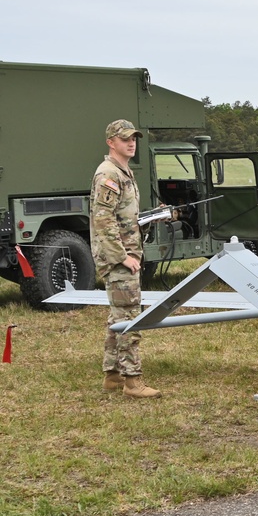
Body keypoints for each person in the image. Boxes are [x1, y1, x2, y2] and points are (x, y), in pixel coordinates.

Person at [90, 119, 161, 399]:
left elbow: (122, 215)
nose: (131, 143)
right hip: (119, 259)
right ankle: (133, 382)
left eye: (133, 138)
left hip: (125, 254)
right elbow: (103, 219)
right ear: (111, 142)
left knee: (117, 318)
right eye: (124, 139)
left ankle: (112, 375)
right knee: (130, 317)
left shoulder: (123, 171)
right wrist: (123, 257)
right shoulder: (108, 173)